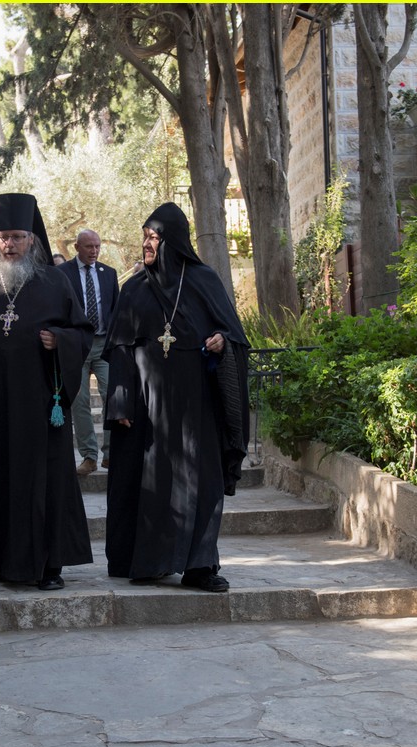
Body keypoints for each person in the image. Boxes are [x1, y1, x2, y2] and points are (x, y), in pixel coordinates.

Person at [0, 193, 93, 591]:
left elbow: (82, 334)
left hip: (40, 405)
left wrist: (58, 339)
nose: (10, 244)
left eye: (18, 237)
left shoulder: (54, 281)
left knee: (39, 481)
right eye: (3, 237)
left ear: (32, 240)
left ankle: (47, 564)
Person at [103, 202, 249, 592]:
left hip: (195, 403)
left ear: (174, 241)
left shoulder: (203, 280)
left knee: (200, 482)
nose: (147, 244)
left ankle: (200, 566)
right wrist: (119, 402)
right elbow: (118, 348)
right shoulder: (134, 289)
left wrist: (223, 341)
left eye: (154, 237)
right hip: (146, 405)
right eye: (145, 237)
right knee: (148, 482)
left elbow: (234, 335)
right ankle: (150, 561)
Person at [56, 229, 119, 475]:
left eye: (97, 246)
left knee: (112, 398)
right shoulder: (62, 274)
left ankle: (111, 454)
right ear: (76, 247)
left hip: (104, 344)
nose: (94, 251)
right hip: (76, 345)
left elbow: (116, 308)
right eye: (89, 247)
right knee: (79, 401)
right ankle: (89, 456)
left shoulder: (109, 273)